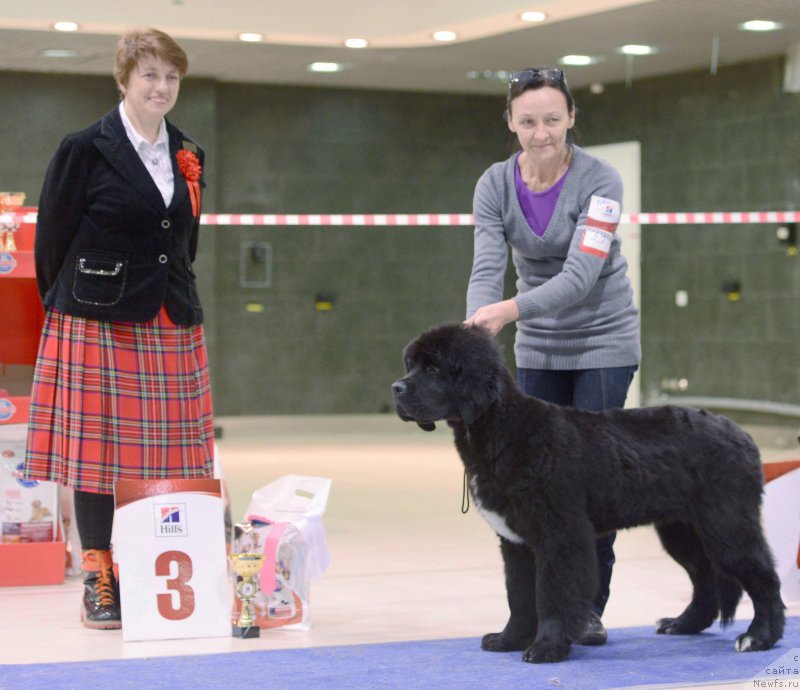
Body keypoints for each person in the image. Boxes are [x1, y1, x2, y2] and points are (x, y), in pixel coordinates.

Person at [23, 28, 213, 630]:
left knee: (167, 456)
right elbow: (51, 242)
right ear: (124, 80)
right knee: (95, 459)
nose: (161, 87)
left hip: (170, 317)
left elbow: (185, 241)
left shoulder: (190, 152)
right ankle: (98, 577)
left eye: (171, 77)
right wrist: (76, 303)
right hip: (97, 318)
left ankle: (148, 565)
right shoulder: (85, 147)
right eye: (150, 75)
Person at [464, 67, 641, 645]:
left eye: (552, 119)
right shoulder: (493, 184)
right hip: (538, 345)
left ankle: (584, 611)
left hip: (603, 341)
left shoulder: (601, 179)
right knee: (529, 492)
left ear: (571, 119)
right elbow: (487, 269)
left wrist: (508, 312)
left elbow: (583, 276)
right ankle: (532, 615)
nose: (541, 132)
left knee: (589, 488)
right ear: (511, 122)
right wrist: (475, 330)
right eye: (528, 120)